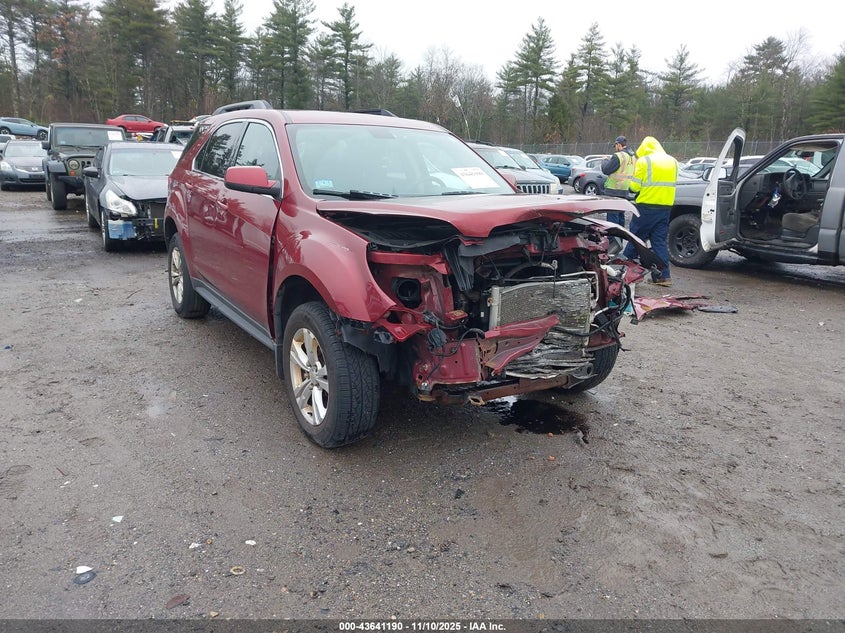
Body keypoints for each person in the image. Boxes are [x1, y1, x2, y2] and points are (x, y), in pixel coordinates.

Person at [622, 136, 678, 287]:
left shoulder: (644, 161)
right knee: (659, 242)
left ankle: (623, 274)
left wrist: (631, 189)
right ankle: (663, 277)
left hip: (645, 208)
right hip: (665, 208)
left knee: (636, 239)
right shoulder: (672, 161)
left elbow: (635, 187)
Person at [601, 135, 636, 226]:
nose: (615, 148)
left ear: (618, 145)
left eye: (615, 146)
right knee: (621, 216)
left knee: (612, 218)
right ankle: (620, 237)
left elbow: (606, 170)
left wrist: (604, 160)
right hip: (625, 191)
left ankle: (612, 239)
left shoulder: (618, 156)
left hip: (614, 190)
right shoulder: (633, 157)